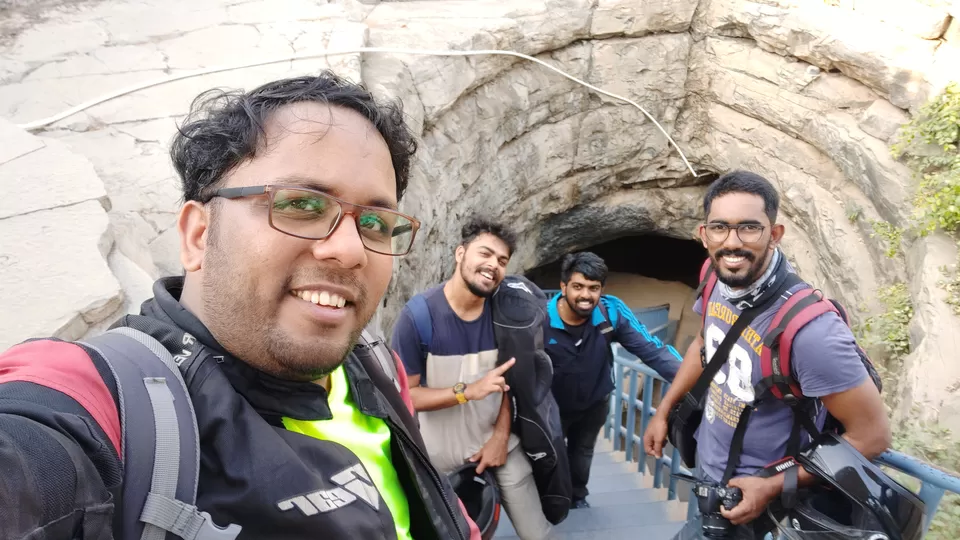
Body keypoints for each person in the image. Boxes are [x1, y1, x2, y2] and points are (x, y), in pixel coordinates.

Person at [0, 72, 483, 540]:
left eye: (375, 222)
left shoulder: (377, 365)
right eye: (303, 205)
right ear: (198, 234)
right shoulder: (109, 406)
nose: (351, 250)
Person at [643, 170, 891, 539]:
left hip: (762, 497)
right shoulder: (715, 276)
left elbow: (872, 438)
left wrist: (771, 486)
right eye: (719, 228)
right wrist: (664, 411)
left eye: (749, 228)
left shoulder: (812, 333)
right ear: (703, 233)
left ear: (774, 234)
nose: (732, 243)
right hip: (709, 473)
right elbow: (704, 346)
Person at [391, 218, 555, 540]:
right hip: (440, 462)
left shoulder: (506, 315)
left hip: (501, 449)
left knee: (540, 535)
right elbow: (407, 396)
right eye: (486, 253)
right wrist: (467, 391)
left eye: (502, 261)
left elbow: (513, 383)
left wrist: (499, 437)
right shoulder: (419, 317)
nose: (493, 265)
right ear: (460, 253)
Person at [543, 251, 682, 509]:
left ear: (601, 289)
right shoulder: (540, 319)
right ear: (563, 287)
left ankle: (577, 496)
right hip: (552, 407)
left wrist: (692, 379)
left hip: (594, 403)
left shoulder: (611, 311)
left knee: (582, 453)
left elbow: (654, 350)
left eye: (593, 288)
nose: (586, 295)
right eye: (578, 287)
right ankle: (552, 501)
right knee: (552, 456)